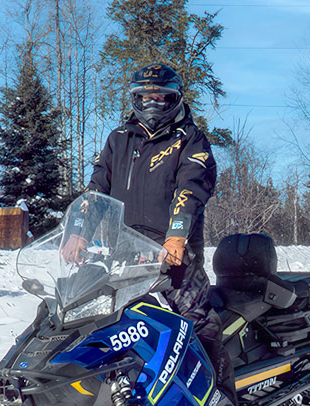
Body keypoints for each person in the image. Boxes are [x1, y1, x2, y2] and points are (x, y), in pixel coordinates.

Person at [73, 62, 218, 323]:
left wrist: (176, 236)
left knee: (197, 324)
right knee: (102, 325)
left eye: (160, 96)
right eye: (146, 96)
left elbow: (191, 189)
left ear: (174, 97)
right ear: (136, 99)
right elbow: (96, 189)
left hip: (175, 257)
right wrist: (79, 232)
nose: (153, 102)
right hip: (123, 257)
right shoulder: (119, 139)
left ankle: (215, 363)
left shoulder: (190, 139)